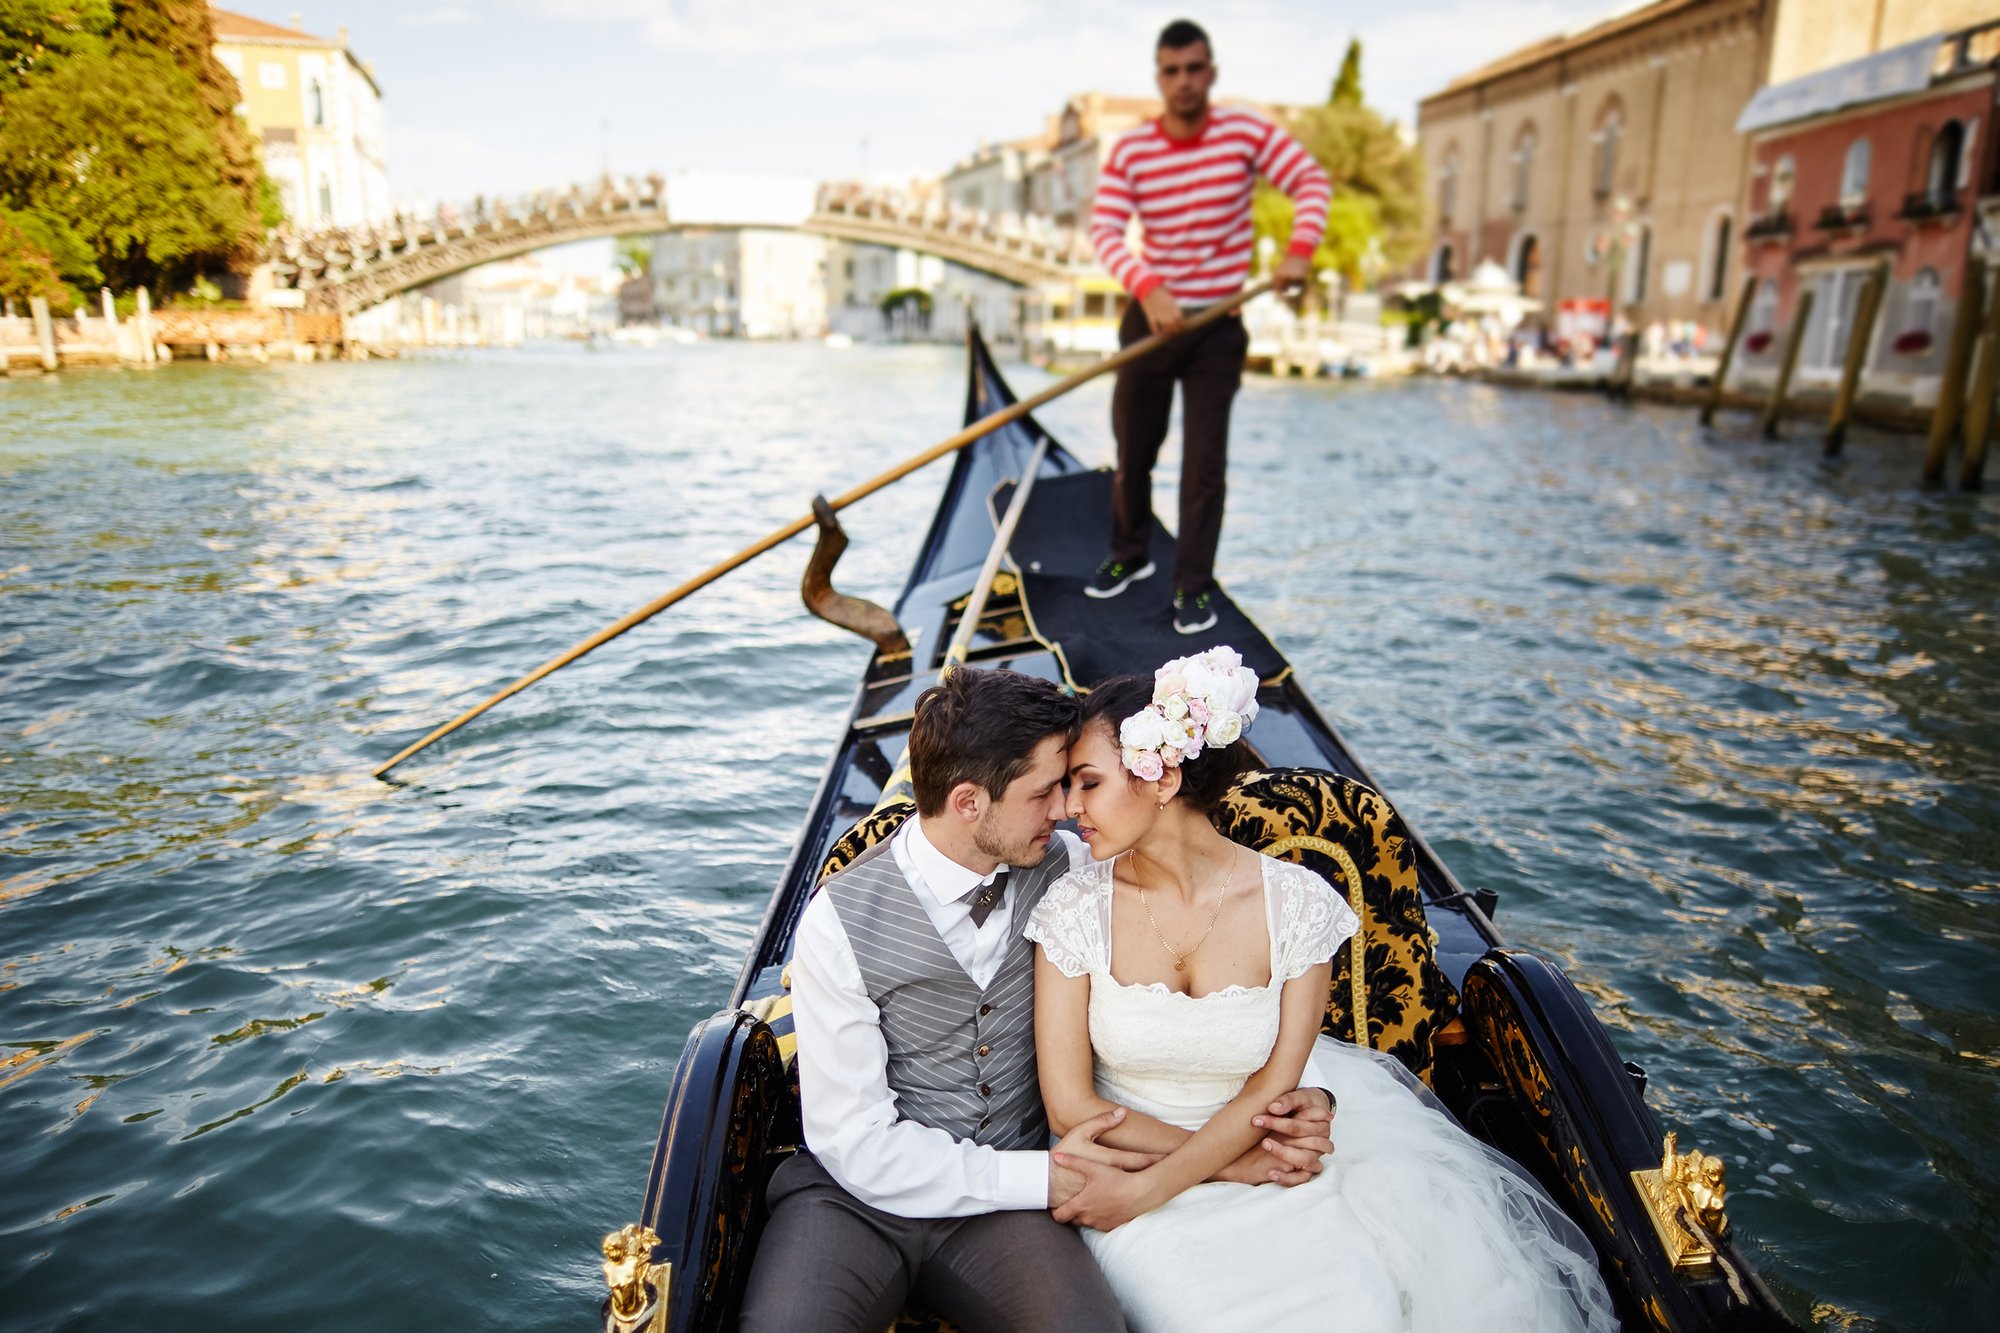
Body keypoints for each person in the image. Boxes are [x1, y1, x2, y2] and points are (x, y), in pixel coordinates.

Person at [1024, 648, 1621, 1332]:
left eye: (1087, 783)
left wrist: (1185, 1176)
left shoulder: (1301, 906)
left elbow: (1272, 1086)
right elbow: (1072, 1104)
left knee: (1357, 1309)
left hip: (1248, 1165)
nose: (1070, 808)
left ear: (1161, 778)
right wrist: (1221, 1169)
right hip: (1125, 1166)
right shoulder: (1073, 908)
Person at [738, 667, 1337, 1333]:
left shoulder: (1076, 874)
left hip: (1008, 1215)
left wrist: (1303, 1090)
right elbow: (855, 1140)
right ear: (969, 802)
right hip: (855, 1202)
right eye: (1045, 791)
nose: (1064, 811)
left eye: (1071, 786)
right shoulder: (836, 922)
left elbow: (1210, 982)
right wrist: (1040, 1179)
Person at [1085, 19, 1332, 635]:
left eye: (1195, 69)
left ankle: (1192, 587)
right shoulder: (1133, 150)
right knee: (1133, 451)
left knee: (1204, 466)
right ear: (1159, 78)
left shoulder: (1244, 132)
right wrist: (1149, 286)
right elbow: (1105, 232)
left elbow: (1311, 181)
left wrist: (1300, 249)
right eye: (1172, 71)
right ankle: (1129, 554)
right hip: (1151, 318)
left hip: (1219, 324)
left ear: (1211, 73)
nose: (1184, 82)